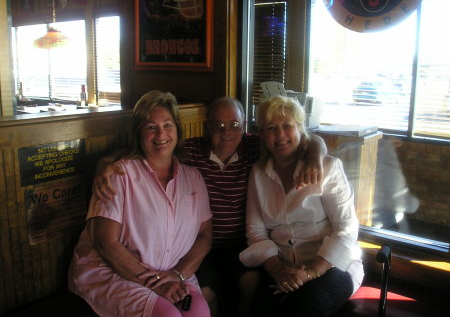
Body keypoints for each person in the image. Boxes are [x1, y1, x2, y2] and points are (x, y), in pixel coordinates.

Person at [92, 96, 327, 317]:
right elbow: (156, 148)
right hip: (202, 247)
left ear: (244, 126)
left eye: (234, 124)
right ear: (207, 127)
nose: (226, 132)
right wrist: (105, 163)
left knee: (251, 284)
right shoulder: (191, 152)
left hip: (243, 245)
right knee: (206, 294)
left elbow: (309, 139)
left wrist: (315, 155)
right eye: (218, 126)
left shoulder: (256, 148)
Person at [68, 91, 212, 317]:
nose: (160, 134)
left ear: (177, 130)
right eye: (151, 127)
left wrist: (179, 275)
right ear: (139, 133)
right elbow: (105, 242)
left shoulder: (193, 177)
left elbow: (205, 235)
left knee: (199, 312)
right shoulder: (117, 174)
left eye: (167, 125)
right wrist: (157, 283)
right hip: (117, 273)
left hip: (173, 275)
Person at [239, 95, 364, 317]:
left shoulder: (328, 168)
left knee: (303, 307)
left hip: (333, 265)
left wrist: (311, 272)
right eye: (271, 128)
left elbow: (346, 231)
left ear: (299, 129)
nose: (280, 135)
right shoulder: (258, 174)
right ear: (263, 135)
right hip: (282, 266)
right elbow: (255, 231)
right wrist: (277, 270)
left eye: (287, 126)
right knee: (261, 309)